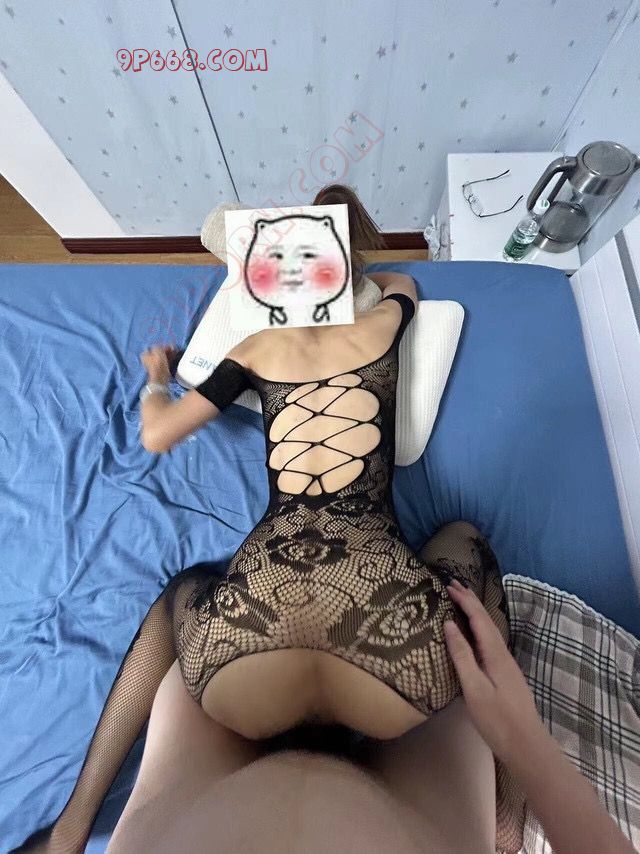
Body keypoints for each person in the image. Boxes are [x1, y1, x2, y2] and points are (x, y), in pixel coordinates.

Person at [15, 186, 635, 854]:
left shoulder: (256, 346)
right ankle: (509, 810)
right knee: (468, 544)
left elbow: (158, 435)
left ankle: (72, 825)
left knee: (180, 593)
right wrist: (362, 285)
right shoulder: (380, 324)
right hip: (393, 651)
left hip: (247, 648)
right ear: (344, 263)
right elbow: (402, 283)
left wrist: (155, 379)